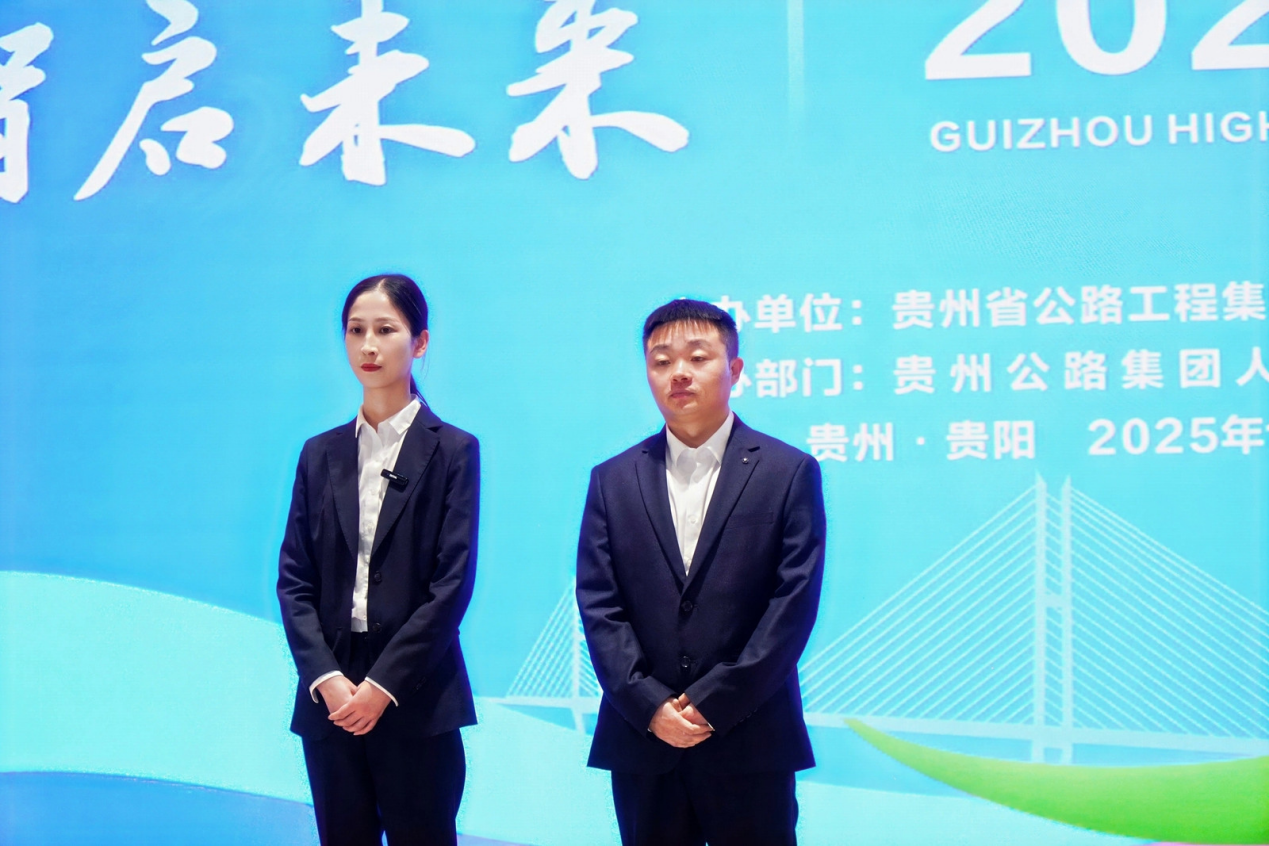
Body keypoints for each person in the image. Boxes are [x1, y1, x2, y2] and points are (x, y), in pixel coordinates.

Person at [576, 298, 827, 846]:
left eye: (697, 357)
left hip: (751, 739)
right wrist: (650, 705)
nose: (678, 373)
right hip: (644, 743)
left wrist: (714, 703)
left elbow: (792, 605)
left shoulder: (788, 471)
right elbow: (599, 605)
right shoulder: (612, 479)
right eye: (661, 361)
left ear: (734, 369)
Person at [277, 273, 479, 846]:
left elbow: (451, 585)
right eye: (355, 330)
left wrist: (382, 685)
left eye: (386, 330)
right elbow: (294, 580)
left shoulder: (454, 450)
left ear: (420, 342)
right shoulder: (319, 453)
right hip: (332, 700)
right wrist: (326, 678)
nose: (368, 345)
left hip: (416, 696)